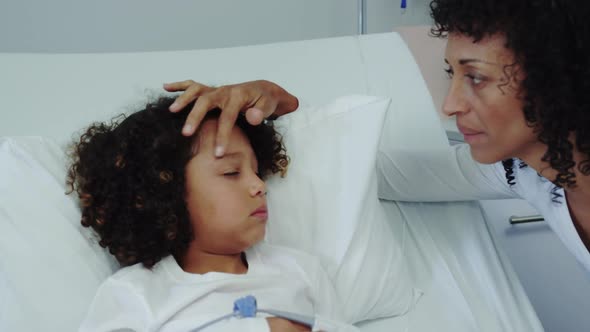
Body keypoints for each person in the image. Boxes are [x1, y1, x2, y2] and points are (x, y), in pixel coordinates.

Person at [162, 0, 590, 273]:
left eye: (476, 77)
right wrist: (283, 111)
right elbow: (381, 172)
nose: (451, 104)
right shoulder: (523, 172)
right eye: (452, 75)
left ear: (556, 79)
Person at [67, 96, 359, 332]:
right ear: (167, 193)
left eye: (257, 172)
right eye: (232, 172)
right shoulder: (135, 293)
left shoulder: (301, 272)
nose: (259, 185)